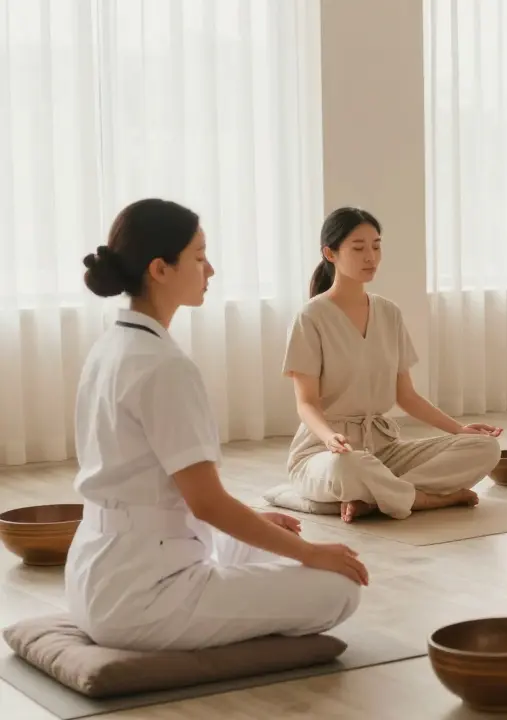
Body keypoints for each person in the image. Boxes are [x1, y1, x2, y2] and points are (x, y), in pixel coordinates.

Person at [65, 199, 365, 652]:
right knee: (339, 590)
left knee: (273, 537)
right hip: (144, 598)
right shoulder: (164, 366)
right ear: (159, 270)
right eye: (200, 257)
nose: (211, 270)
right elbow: (207, 504)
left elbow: (153, 483)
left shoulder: (110, 346)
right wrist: (311, 555)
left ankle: (240, 572)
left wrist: (255, 524)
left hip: (96, 575)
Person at [283, 207, 502, 523]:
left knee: (485, 448)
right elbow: (306, 403)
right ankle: (423, 499)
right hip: (325, 453)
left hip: (383, 452)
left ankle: (376, 498)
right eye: (358, 248)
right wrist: (330, 437)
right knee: (349, 466)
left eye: (376, 245)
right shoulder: (310, 318)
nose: (370, 256)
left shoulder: (389, 313)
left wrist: (459, 430)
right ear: (330, 253)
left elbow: (407, 397)